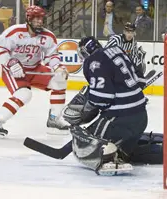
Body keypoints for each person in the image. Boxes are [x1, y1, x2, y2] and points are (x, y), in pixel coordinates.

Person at [63, 36, 149, 175]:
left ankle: (106, 158)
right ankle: (129, 151)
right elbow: (140, 81)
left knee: (82, 144)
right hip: (141, 117)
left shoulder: (94, 61)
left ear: (85, 53)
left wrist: (88, 111)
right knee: (125, 151)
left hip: (118, 119)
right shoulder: (116, 50)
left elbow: (103, 98)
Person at [0, 5, 70, 137]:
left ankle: (54, 120)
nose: (39, 21)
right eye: (36, 18)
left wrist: (58, 67)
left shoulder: (48, 36)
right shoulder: (15, 32)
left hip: (34, 68)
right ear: (28, 19)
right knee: (24, 94)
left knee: (59, 81)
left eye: (41, 18)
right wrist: (11, 63)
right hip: (14, 70)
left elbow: (52, 55)